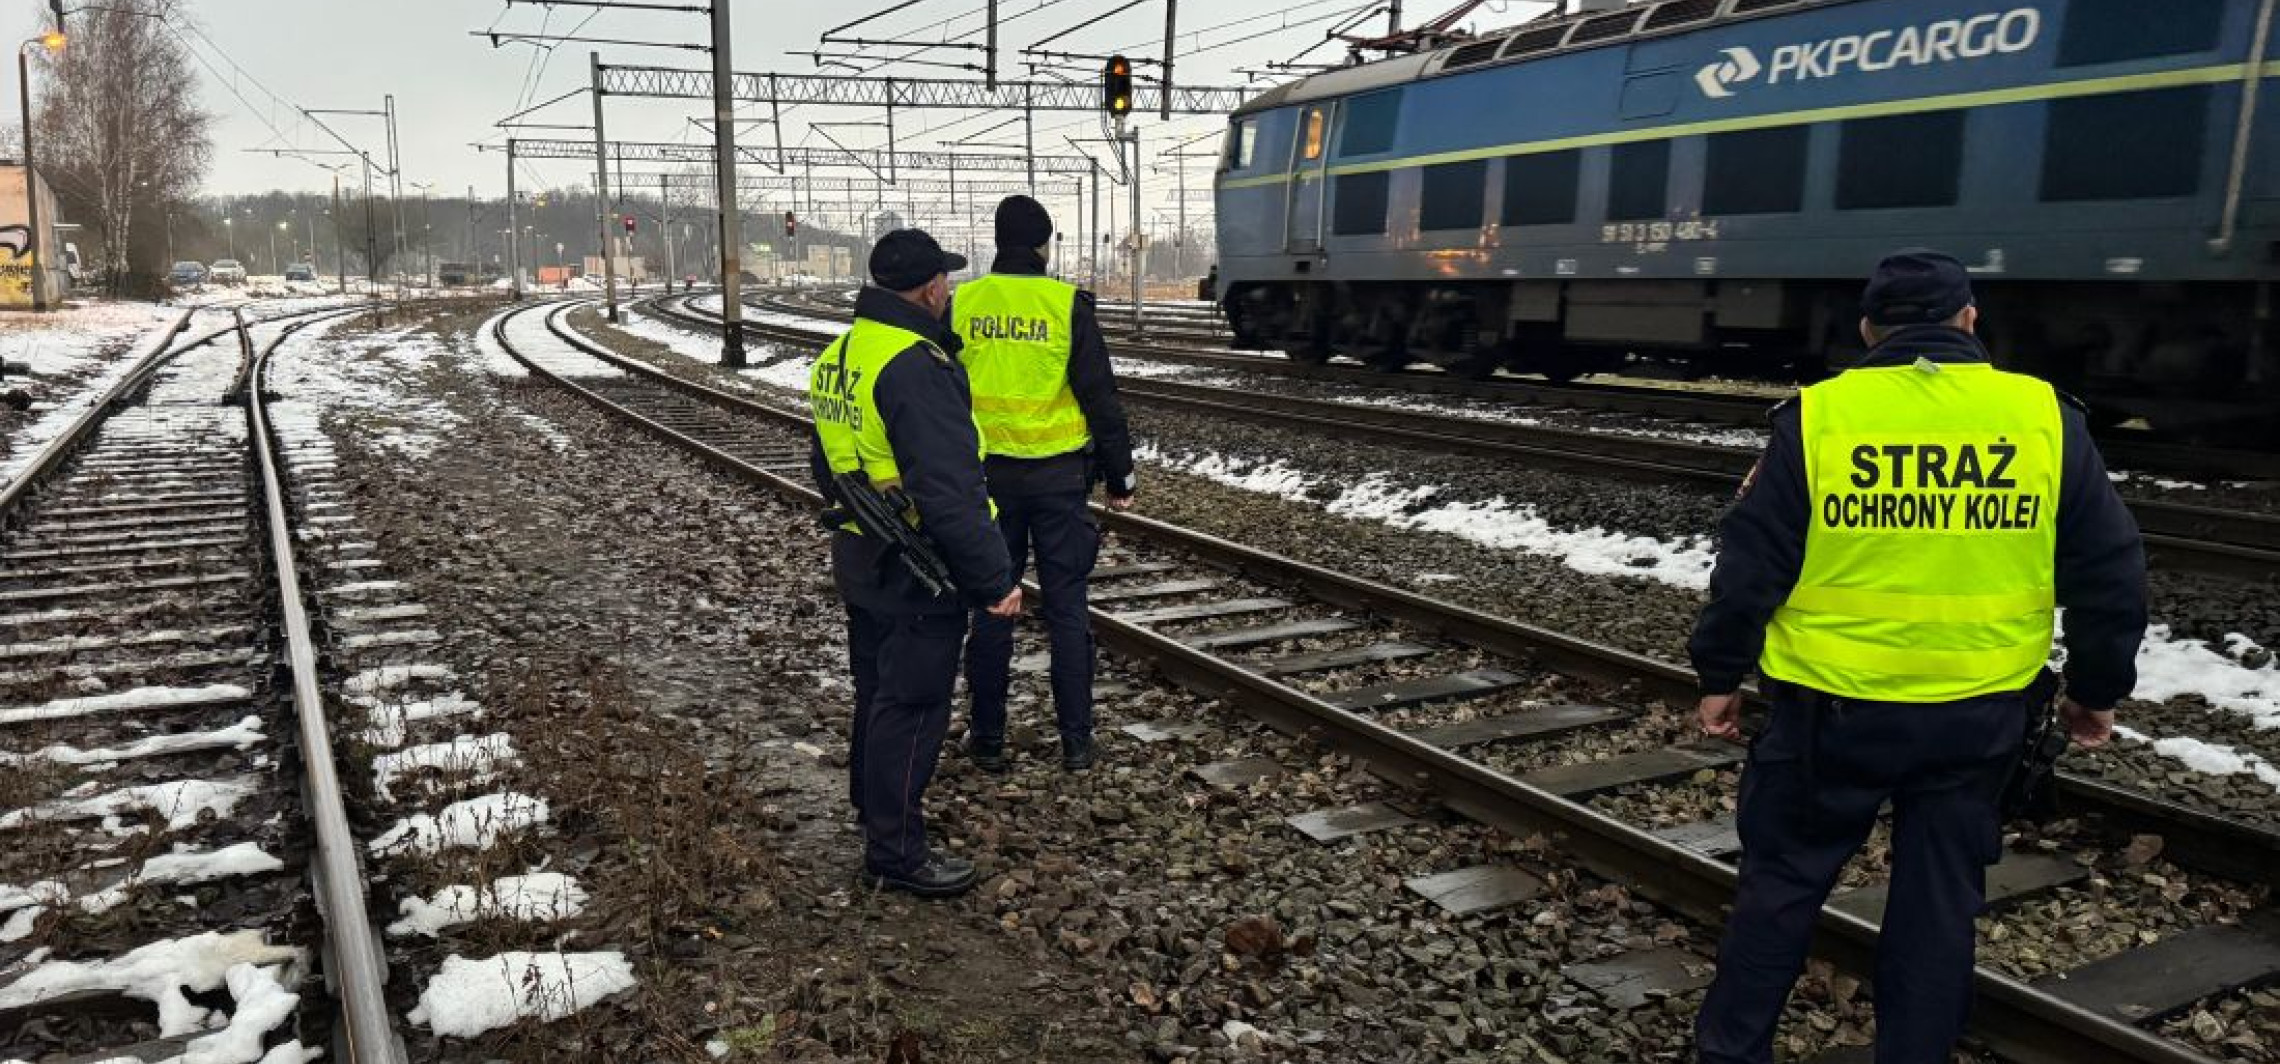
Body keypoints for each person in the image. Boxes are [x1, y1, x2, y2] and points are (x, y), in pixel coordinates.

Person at [1688, 249, 2148, 1063]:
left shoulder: (1822, 415)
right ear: (1971, 321)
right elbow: (2111, 571)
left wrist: (1720, 676)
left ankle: (1730, 1053)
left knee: (1783, 888)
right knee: (1938, 909)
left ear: (1869, 330)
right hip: (1979, 717)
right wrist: (2095, 689)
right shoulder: (2042, 416)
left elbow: (1749, 569)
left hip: (1831, 714)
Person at [809, 228, 1023, 899]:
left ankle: (871, 814)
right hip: (914, 563)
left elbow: (825, 462)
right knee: (916, 702)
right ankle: (896, 853)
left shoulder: (841, 353)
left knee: (876, 689)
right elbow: (949, 489)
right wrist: (994, 581)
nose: (949, 292)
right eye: (946, 283)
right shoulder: (916, 363)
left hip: (860, 552)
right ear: (930, 288)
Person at [952, 194, 1137, 773]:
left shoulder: (963, 303)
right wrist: (1120, 473)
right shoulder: (1065, 305)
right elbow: (1099, 395)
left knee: (991, 606)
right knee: (1067, 610)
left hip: (987, 481)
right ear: (1043, 245)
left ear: (999, 241)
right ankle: (1077, 745)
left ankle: (986, 741)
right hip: (1059, 481)